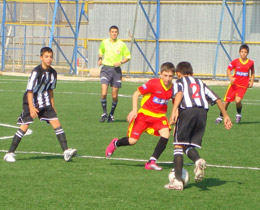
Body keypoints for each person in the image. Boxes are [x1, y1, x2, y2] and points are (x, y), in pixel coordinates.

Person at [164, 61, 232, 190]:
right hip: (202, 114)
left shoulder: (179, 82)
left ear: (178, 74)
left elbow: (179, 94)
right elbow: (217, 99)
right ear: (192, 73)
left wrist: (174, 110)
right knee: (186, 145)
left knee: (178, 145)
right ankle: (198, 161)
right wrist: (226, 116)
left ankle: (177, 181)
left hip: (187, 111)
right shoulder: (201, 83)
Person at [3, 47, 77, 162]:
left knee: (56, 122)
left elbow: (51, 90)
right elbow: (30, 91)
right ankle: (9, 153)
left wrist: (52, 105)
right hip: (31, 101)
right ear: (41, 58)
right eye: (46, 57)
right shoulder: (36, 72)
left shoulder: (53, 73)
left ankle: (66, 151)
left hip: (45, 101)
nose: (49, 59)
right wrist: (31, 108)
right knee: (25, 126)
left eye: (51, 56)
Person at [105, 62, 175, 171]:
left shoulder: (173, 88)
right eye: (165, 75)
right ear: (160, 74)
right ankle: (115, 143)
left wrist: (175, 115)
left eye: (170, 76)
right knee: (132, 141)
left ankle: (151, 161)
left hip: (159, 117)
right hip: (144, 115)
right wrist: (134, 110)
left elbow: (176, 103)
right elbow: (136, 94)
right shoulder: (153, 83)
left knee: (166, 135)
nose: (167, 78)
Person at [98, 25, 131, 123]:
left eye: (116, 32)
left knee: (114, 96)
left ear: (118, 33)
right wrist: (100, 59)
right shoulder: (104, 42)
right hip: (105, 69)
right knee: (103, 93)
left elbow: (128, 56)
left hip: (116, 71)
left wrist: (120, 62)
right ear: (109, 33)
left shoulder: (121, 44)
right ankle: (104, 113)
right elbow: (101, 51)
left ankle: (111, 114)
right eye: (112, 31)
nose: (114, 33)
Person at [215, 44, 255, 124]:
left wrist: (251, 81)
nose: (243, 53)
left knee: (238, 101)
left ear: (247, 53)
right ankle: (220, 116)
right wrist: (230, 77)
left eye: (245, 52)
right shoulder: (235, 61)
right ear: (239, 52)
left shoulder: (250, 62)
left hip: (243, 86)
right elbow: (228, 69)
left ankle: (238, 114)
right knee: (226, 102)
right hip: (234, 85)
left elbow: (252, 72)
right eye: (242, 52)